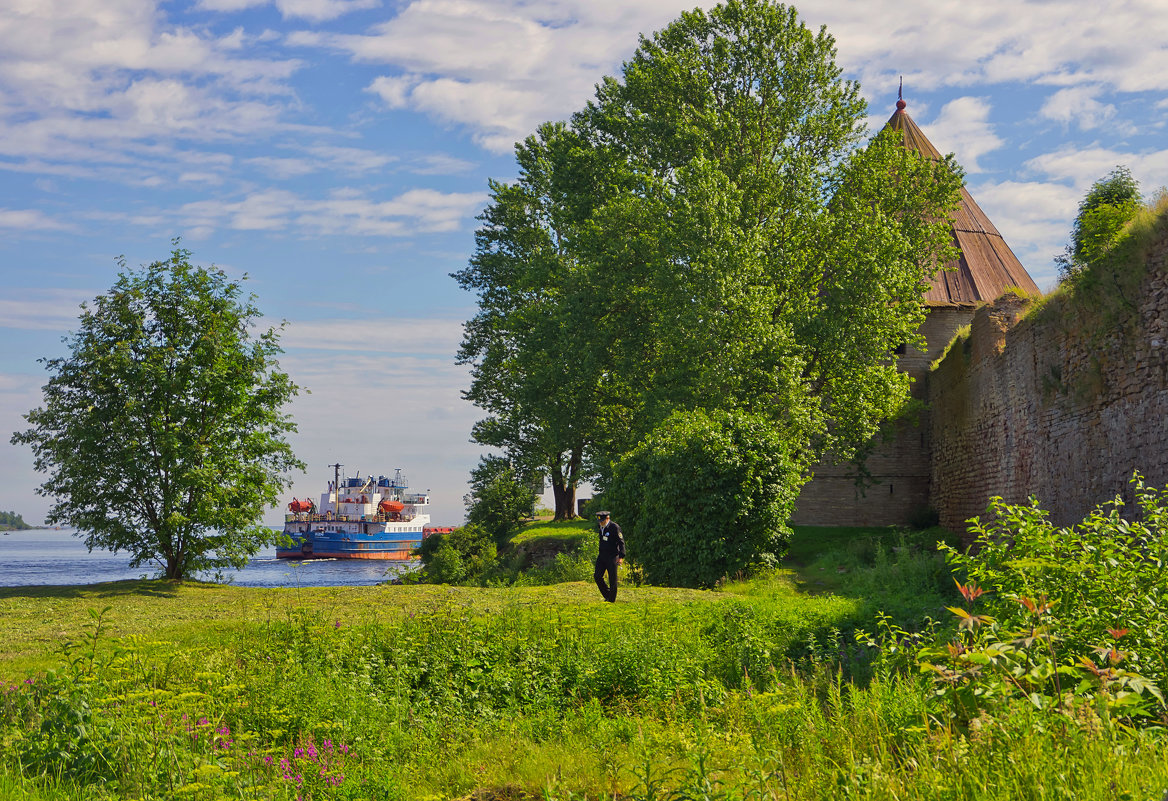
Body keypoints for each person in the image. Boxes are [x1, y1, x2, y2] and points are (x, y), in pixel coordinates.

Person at [593, 511, 625, 602]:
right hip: (602, 555)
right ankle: (607, 595)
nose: (600, 523)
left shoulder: (614, 527)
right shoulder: (600, 526)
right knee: (597, 576)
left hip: (612, 556)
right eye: (599, 521)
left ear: (607, 519)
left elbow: (621, 542)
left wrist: (621, 556)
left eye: (602, 521)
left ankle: (611, 600)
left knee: (612, 579)